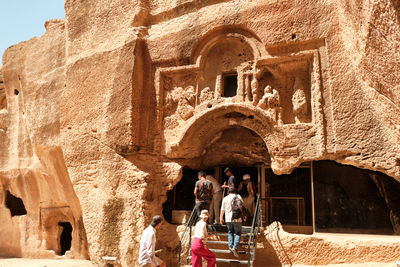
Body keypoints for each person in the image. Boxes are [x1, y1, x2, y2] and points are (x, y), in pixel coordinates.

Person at [220, 187, 243, 258]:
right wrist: (244, 216)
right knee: (238, 233)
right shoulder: (238, 196)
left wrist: (221, 218)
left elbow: (222, 209)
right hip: (237, 218)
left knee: (230, 232)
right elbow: (241, 207)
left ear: (228, 192)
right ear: (235, 191)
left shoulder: (225, 198)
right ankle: (235, 248)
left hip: (228, 218)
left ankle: (230, 247)